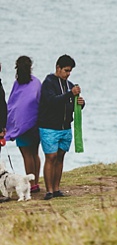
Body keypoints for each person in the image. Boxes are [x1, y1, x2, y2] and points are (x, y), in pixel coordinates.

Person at [37, 55, 85, 200]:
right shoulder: (48, 83)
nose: (68, 73)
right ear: (58, 68)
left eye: (70, 71)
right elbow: (52, 101)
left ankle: (56, 188)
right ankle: (49, 190)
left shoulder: (70, 85)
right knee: (50, 157)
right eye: (66, 70)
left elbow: (69, 104)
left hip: (65, 127)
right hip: (49, 127)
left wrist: (81, 104)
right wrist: (70, 94)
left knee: (60, 157)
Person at [5, 56, 44, 196]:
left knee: (27, 155)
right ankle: (35, 183)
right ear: (30, 67)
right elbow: (39, 103)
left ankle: (31, 184)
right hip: (35, 125)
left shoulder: (17, 83)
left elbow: (12, 105)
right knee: (34, 154)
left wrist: (9, 125)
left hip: (21, 126)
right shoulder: (36, 83)